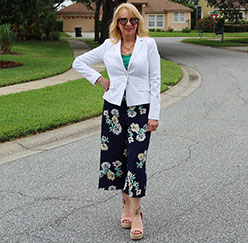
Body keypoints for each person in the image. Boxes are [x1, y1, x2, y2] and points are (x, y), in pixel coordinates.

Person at [72, 3, 161, 240]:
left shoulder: (148, 44)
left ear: (138, 22)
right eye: (123, 20)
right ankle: (126, 205)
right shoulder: (108, 45)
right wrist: (99, 79)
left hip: (140, 110)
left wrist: (155, 114)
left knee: (136, 160)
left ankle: (137, 212)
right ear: (117, 23)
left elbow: (155, 79)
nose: (128, 24)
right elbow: (78, 62)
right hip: (113, 109)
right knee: (116, 159)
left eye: (132, 20)